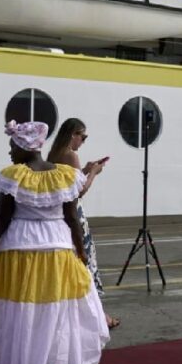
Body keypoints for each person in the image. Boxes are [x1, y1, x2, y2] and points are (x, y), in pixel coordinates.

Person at [0, 121, 109, 364]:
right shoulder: (64, 175)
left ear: (24, 148)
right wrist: (80, 252)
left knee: (26, 312)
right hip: (58, 249)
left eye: (13, 147)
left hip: (20, 250)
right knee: (58, 309)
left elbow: (1, 221)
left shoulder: (14, 176)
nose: (10, 153)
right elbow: (72, 219)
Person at [47, 118, 118, 329]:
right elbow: (78, 191)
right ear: (73, 135)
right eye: (83, 136)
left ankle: (98, 315)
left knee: (72, 266)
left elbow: (67, 185)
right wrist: (93, 174)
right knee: (85, 263)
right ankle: (100, 317)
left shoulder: (54, 154)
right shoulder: (71, 155)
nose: (83, 141)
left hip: (60, 214)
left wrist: (85, 170)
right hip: (75, 214)